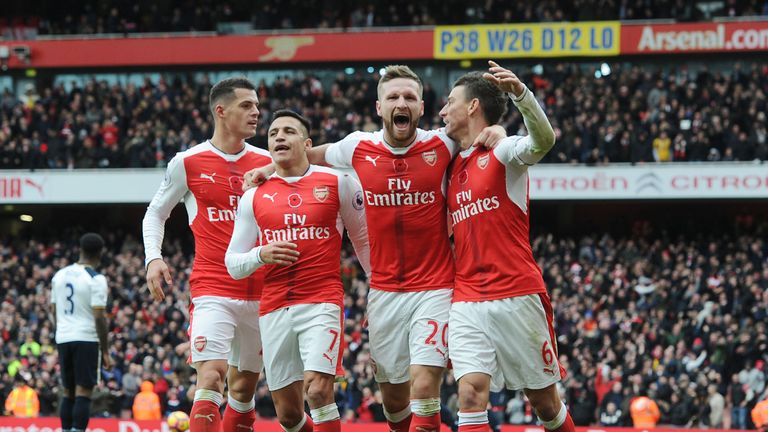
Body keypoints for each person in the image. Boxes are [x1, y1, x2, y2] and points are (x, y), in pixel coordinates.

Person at [244, 65, 505, 432]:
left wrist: (499, 128)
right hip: (384, 293)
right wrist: (271, 168)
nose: (402, 102)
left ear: (420, 106)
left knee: (425, 386)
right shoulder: (357, 147)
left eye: (410, 97)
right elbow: (311, 154)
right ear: (379, 107)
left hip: (435, 287)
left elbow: (481, 135)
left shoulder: (441, 144)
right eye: (393, 97)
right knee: (394, 402)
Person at [440, 63, 574, 432]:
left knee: (545, 403)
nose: (442, 110)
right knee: (469, 395)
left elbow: (543, 141)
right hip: (466, 297)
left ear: (472, 107)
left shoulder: (503, 151)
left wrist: (521, 96)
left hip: (516, 292)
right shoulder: (449, 166)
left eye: (449, 102)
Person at [225, 109, 370, 432]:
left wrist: (376, 288)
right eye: (273, 133)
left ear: (306, 143)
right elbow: (233, 264)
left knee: (318, 390)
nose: (279, 137)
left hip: (322, 301)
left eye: (288, 131)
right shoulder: (254, 196)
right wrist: (261, 254)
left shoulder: (337, 182)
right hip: (274, 306)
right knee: (288, 415)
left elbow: (363, 241)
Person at [142, 77, 272, 432]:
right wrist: (153, 257)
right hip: (213, 287)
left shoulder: (268, 161)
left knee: (244, 389)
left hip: (264, 290)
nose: (256, 112)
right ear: (221, 111)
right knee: (212, 377)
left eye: (257, 105)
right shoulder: (188, 162)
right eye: (247, 105)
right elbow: (156, 212)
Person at [51, 232, 112, 431]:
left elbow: (53, 309)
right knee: (83, 391)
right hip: (86, 338)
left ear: (80, 249)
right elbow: (99, 317)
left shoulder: (59, 275)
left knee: (67, 391)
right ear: (100, 253)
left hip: (63, 337)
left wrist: (61, 330)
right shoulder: (96, 279)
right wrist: (106, 350)